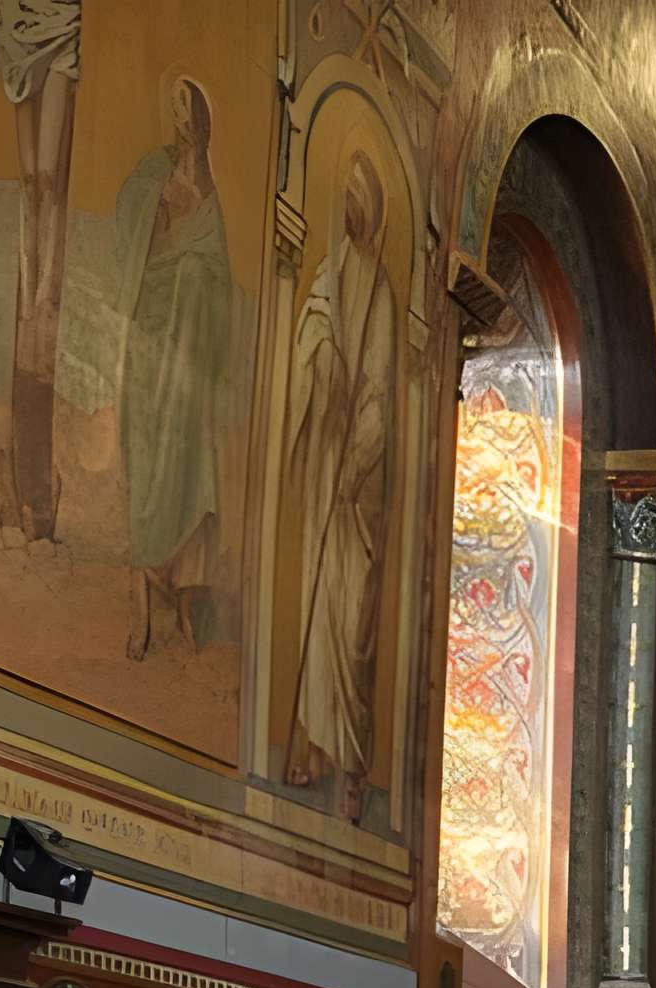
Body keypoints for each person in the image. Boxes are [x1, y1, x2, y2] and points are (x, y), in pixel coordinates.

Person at [281, 151, 400, 823]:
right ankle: (316, 748)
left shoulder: (380, 291)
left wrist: (353, 473)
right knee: (318, 604)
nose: (351, 208)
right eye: (345, 196)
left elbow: (380, 399)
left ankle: (352, 763)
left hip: (358, 488)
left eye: (360, 198)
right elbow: (310, 344)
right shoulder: (328, 276)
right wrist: (322, 358)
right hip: (328, 464)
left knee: (354, 624)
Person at [116, 76, 233, 658]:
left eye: (184, 106)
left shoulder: (208, 187)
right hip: (150, 348)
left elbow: (217, 281)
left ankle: (184, 607)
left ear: (201, 119)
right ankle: (140, 609)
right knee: (148, 471)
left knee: (192, 473)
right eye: (171, 105)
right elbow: (130, 225)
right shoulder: (154, 171)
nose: (176, 116)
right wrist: (159, 205)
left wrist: (192, 249)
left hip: (186, 364)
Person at [0, 0, 80, 542]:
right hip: (15, 25)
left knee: (47, 183)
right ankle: (34, 275)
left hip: (62, 27)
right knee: (30, 183)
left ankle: (43, 276)